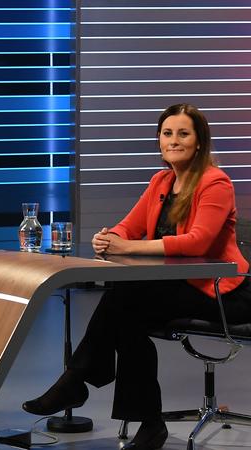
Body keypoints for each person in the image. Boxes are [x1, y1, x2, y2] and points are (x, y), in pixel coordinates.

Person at [22, 104, 251, 450]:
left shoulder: (215, 182)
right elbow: (129, 225)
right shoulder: (162, 181)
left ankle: (78, 380)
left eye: (183, 133)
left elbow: (198, 242)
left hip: (221, 293)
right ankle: (146, 422)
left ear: (200, 141)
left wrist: (127, 247)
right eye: (167, 133)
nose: (173, 140)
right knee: (128, 318)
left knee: (125, 301)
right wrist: (109, 237)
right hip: (179, 288)